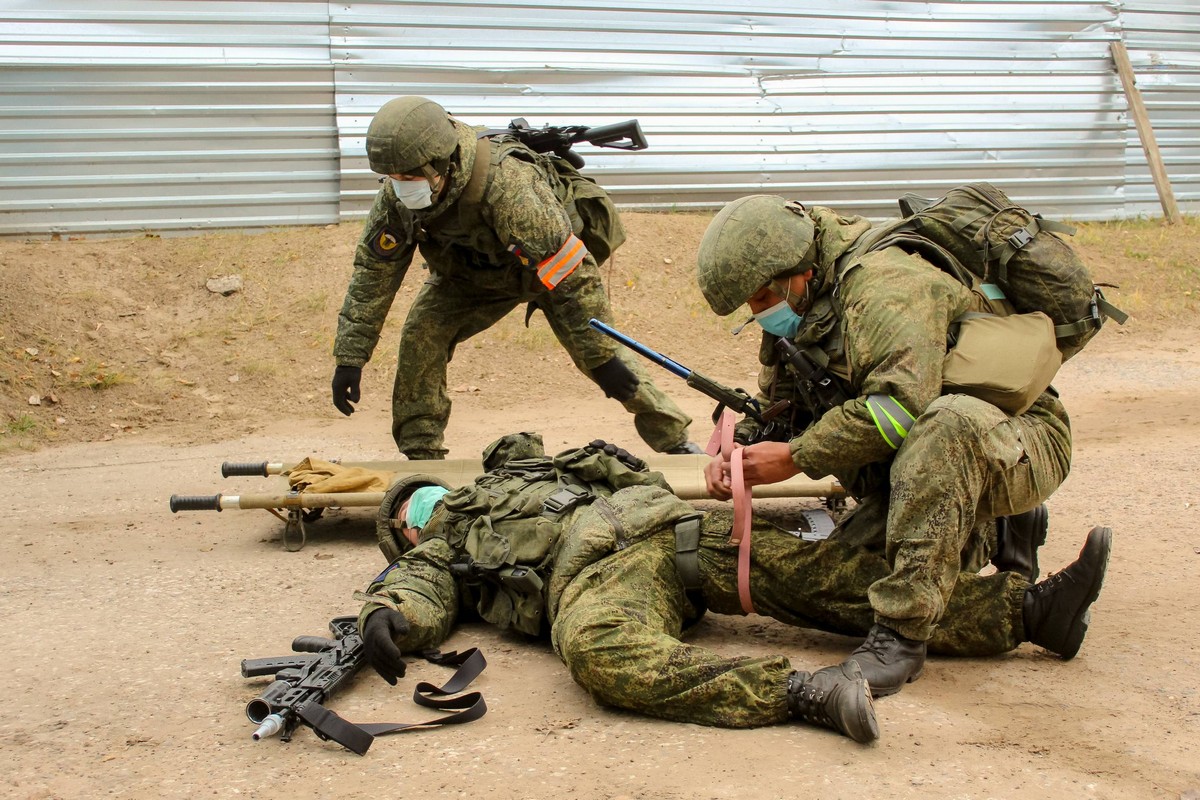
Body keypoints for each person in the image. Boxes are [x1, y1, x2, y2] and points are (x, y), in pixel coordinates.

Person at [354, 434, 1109, 741]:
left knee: (826, 578)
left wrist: (610, 475)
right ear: (405, 534)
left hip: (661, 525)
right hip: (598, 582)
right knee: (601, 654)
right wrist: (387, 616)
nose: (416, 512)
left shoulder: (523, 471)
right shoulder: (444, 548)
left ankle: (1032, 612)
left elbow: (625, 468)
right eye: (404, 517)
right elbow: (416, 591)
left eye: (414, 498)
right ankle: (804, 694)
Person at [694, 194, 1110, 697]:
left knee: (946, 423)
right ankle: (996, 535)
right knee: (844, 579)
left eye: (762, 297)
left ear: (797, 271)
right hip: (928, 467)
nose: (758, 313)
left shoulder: (886, 285)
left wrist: (795, 459)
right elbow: (780, 403)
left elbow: (898, 409)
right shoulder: (811, 301)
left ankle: (900, 638)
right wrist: (736, 451)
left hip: (1017, 440)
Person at [331, 96, 699, 459]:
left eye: (409, 177)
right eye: (392, 178)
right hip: (473, 280)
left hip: (549, 274)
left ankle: (676, 438)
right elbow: (373, 273)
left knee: (608, 363)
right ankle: (421, 452)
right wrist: (350, 358)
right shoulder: (397, 198)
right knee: (422, 333)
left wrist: (601, 357)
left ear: (442, 163)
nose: (400, 186)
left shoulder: (508, 185)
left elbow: (572, 273)